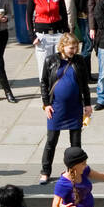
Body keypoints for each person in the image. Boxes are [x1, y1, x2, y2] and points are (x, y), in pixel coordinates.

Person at [38, 33, 91, 184]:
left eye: (75, 47)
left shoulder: (79, 61)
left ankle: (75, 171)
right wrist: (46, 104)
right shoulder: (51, 60)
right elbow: (44, 83)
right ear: (62, 46)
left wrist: (87, 104)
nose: (73, 50)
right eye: (71, 47)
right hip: (56, 108)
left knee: (76, 143)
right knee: (51, 141)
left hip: (74, 107)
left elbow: (85, 86)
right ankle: (45, 171)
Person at [27, 0, 70, 69]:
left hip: (58, 34)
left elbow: (64, 13)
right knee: (44, 67)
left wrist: (66, 32)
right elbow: (28, 16)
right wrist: (32, 36)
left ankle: (58, 85)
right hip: (42, 37)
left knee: (59, 66)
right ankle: (44, 85)